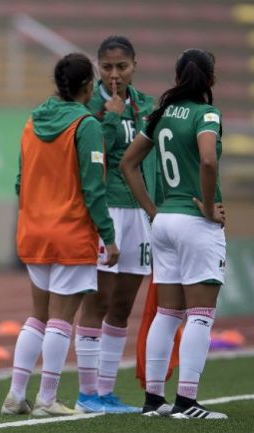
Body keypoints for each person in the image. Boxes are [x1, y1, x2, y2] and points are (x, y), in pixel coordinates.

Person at [2, 53, 119, 417]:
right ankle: (47, 399)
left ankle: (15, 395)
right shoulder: (86, 125)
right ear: (88, 87)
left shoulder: (31, 121)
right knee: (61, 319)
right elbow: (93, 188)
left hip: (34, 231)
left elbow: (21, 181)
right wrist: (109, 236)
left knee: (36, 316)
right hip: (70, 233)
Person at [121, 48, 227, 419]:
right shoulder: (206, 114)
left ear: (178, 77)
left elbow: (127, 163)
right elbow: (209, 159)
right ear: (210, 79)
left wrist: (153, 211)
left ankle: (154, 400)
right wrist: (209, 205)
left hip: (164, 222)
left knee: (167, 313)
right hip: (195, 223)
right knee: (200, 314)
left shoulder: (160, 114)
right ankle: (186, 402)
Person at [74, 36, 157, 414]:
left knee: (123, 305)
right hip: (105, 211)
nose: (114, 74)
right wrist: (109, 116)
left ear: (134, 65)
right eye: (106, 67)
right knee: (98, 300)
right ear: (97, 67)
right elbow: (92, 159)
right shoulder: (90, 106)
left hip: (138, 214)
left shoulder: (148, 107)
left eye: (121, 66)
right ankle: (87, 392)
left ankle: (106, 392)